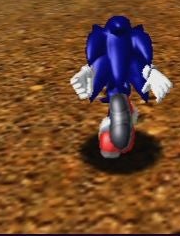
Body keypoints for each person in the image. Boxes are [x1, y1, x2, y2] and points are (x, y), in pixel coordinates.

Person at [69, 15, 173, 158]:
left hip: (120, 84)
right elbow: (102, 61)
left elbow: (137, 61)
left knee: (119, 93)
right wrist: (88, 71)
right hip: (113, 84)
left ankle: (122, 116)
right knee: (116, 93)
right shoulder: (106, 50)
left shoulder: (129, 47)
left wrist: (150, 72)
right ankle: (121, 116)